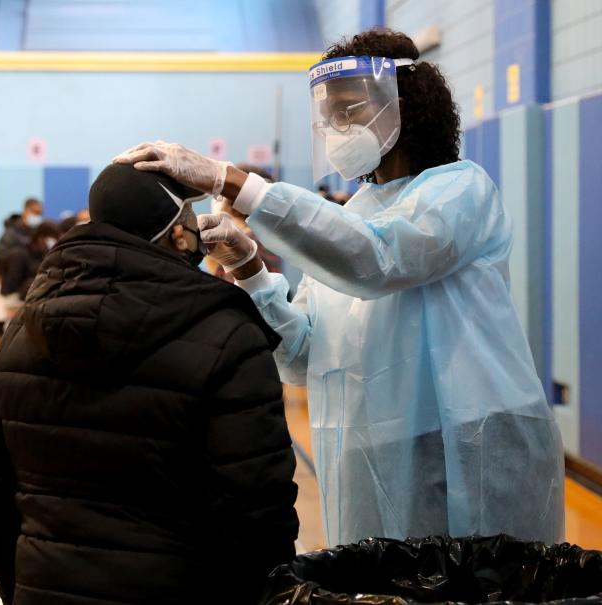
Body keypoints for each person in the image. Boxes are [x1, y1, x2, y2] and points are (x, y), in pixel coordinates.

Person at [113, 29, 565, 546]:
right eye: (329, 115)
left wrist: (229, 180)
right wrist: (249, 268)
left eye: (350, 109)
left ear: (405, 107)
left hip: (473, 441)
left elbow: (382, 256)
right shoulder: (349, 219)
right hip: (378, 455)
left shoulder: (461, 190)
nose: (336, 126)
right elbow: (302, 356)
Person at [0, 164, 299, 605]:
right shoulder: (229, 335)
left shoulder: (21, 332)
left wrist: (21, 585)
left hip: (43, 585)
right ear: (179, 235)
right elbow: (257, 510)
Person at [0, 221, 59, 303]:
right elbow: (11, 286)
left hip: (33, 302)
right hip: (15, 302)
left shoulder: (44, 255)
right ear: (40, 238)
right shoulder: (19, 254)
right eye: (51, 239)